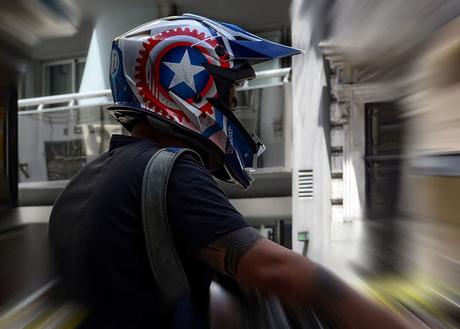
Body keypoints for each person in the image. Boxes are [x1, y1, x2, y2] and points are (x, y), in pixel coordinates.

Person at [49, 14, 412, 329]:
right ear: (185, 87)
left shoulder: (83, 184)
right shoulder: (168, 171)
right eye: (230, 90)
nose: (235, 103)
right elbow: (275, 270)